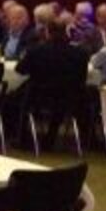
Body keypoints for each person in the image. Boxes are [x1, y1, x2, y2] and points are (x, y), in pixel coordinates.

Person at [18, 18, 89, 152]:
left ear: (47, 32)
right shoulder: (80, 54)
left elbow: (20, 70)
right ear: (66, 32)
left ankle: (21, 138)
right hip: (70, 98)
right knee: (60, 101)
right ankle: (52, 136)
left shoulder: (36, 51)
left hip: (39, 97)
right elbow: (82, 77)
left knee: (16, 98)